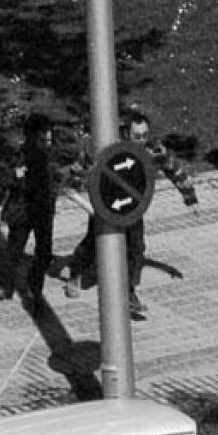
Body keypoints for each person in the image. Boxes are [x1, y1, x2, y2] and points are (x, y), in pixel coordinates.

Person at [64, 110, 198, 315]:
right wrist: (87, 203)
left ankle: (128, 292)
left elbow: (174, 168)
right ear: (126, 134)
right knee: (92, 244)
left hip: (133, 208)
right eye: (137, 136)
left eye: (145, 135)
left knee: (136, 248)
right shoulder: (106, 147)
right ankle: (75, 272)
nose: (142, 141)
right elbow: (76, 174)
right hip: (106, 206)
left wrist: (189, 197)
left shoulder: (153, 150)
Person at [0, 112, 60, 312]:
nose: (47, 142)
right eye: (42, 139)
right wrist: (15, 176)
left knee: (44, 253)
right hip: (22, 211)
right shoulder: (20, 157)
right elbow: (3, 179)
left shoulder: (51, 157)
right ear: (30, 137)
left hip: (43, 211)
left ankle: (34, 289)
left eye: (49, 138)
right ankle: (5, 282)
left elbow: (62, 174)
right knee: (14, 250)